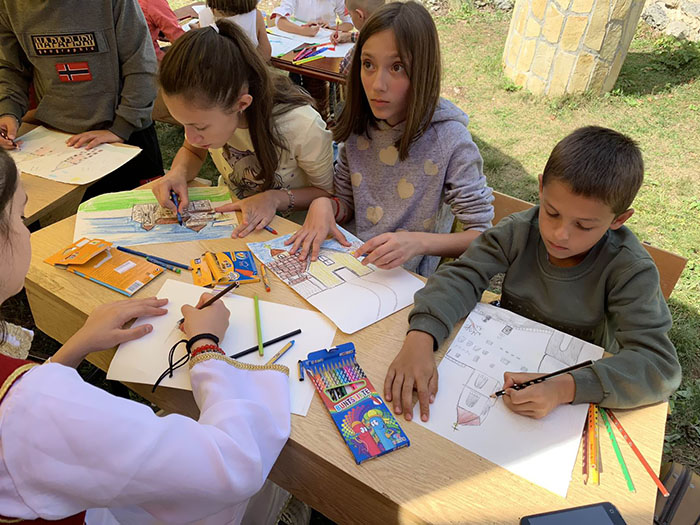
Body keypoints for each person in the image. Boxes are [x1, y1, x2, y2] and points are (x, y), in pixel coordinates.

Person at [0, 149, 291, 524]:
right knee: (268, 464)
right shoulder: (37, 409)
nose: (27, 231)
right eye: (20, 218)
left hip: (73, 495)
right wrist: (205, 345)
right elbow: (232, 465)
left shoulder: (31, 403)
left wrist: (75, 348)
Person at [385, 126, 683, 423]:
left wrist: (565, 387)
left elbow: (659, 366)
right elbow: (463, 276)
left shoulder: (629, 270)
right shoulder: (518, 231)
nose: (560, 234)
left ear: (618, 219)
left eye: (583, 226)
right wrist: (421, 336)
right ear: (541, 188)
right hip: (503, 358)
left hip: (572, 387)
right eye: (551, 212)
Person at [286, 2, 494, 277]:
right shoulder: (360, 123)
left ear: (424, 70)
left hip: (407, 283)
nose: (377, 85)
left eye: (397, 67)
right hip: (349, 269)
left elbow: (483, 237)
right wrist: (325, 205)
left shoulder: (450, 139)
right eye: (368, 64)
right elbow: (347, 203)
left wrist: (418, 243)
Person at [151, 20, 334, 238]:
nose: (191, 137)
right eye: (184, 124)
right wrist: (177, 173)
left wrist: (274, 198)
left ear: (242, 104)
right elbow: (192, 151)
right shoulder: (205, 114)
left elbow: (328, 194)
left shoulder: (301, 125)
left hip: (293, 234)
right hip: (236, 225)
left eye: (199, 127)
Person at [0, 0, 164, 195]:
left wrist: (123, 126)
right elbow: (10, 68)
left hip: (126, 137)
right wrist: (8, 111)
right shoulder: (7, 5)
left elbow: (141, 63)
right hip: (57, 140)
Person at [199, 0, 272, 61]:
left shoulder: (204, 14)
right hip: (246, 71)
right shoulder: (255, 15)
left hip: (214, 70)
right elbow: (265, 53)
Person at [330, 0, 386, 77]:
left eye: (350, 15)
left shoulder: (360, 49)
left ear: (360, 15)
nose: (351, 18)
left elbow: (343, 72)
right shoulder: (388, 31)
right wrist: (347, 36)